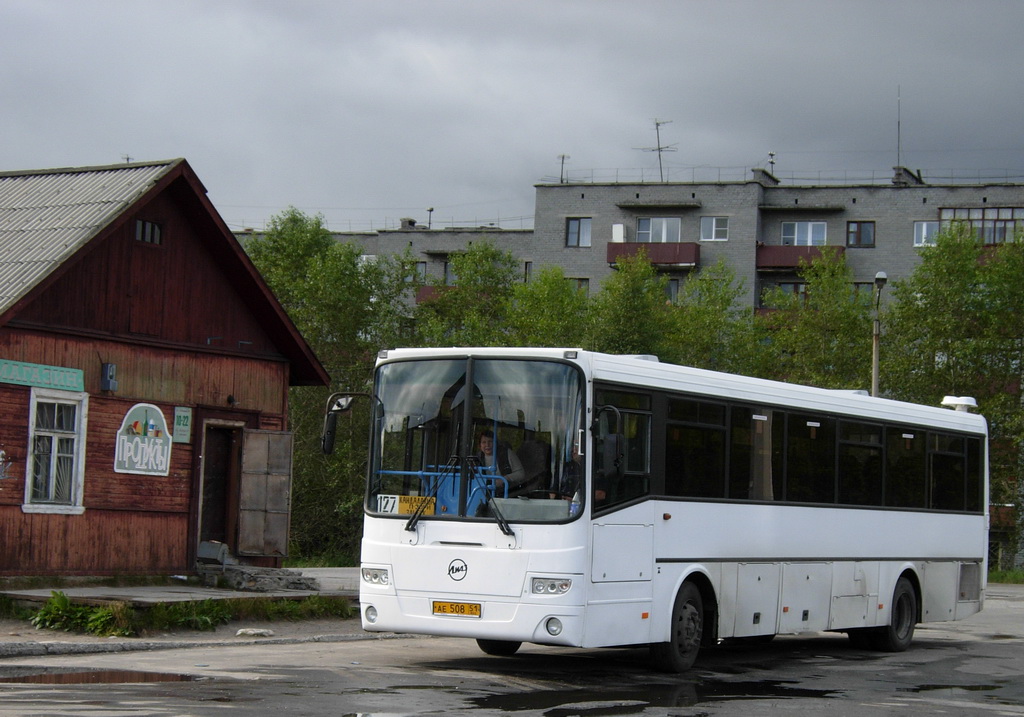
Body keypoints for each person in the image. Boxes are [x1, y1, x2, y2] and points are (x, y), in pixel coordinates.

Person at [477, 430, 526, 496]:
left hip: (507, 493)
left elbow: (521, 474)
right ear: (480, 445)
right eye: (484, 442)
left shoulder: (507, 454)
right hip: (483, 494)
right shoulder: (477, 458)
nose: (487, 445)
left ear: (496, 443)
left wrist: (504, 479)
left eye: (490, 441)